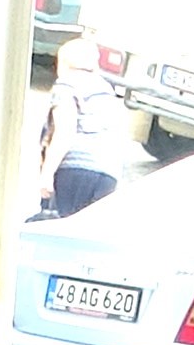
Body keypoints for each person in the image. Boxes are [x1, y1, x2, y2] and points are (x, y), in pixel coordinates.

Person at [40, 36, 131, 218]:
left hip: (76, 170)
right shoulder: (106, 90)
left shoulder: (67, 85)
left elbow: (65, 132)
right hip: (108, 172)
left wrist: (47, 174)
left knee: (60, 230)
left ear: (62, 64)